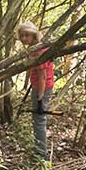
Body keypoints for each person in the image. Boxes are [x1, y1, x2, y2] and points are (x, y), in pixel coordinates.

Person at [18, 21, 54, 160]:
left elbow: (43, 77)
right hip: (38, 86)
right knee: (37, 119)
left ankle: (41, 154)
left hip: (43, 88)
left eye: (27, 35)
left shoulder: (39, 51)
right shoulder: (32, 49)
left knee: (39, 119)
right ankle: (39, 149)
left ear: (33, 35)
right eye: (22, 36)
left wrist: (39, 99)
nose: (24, 39)